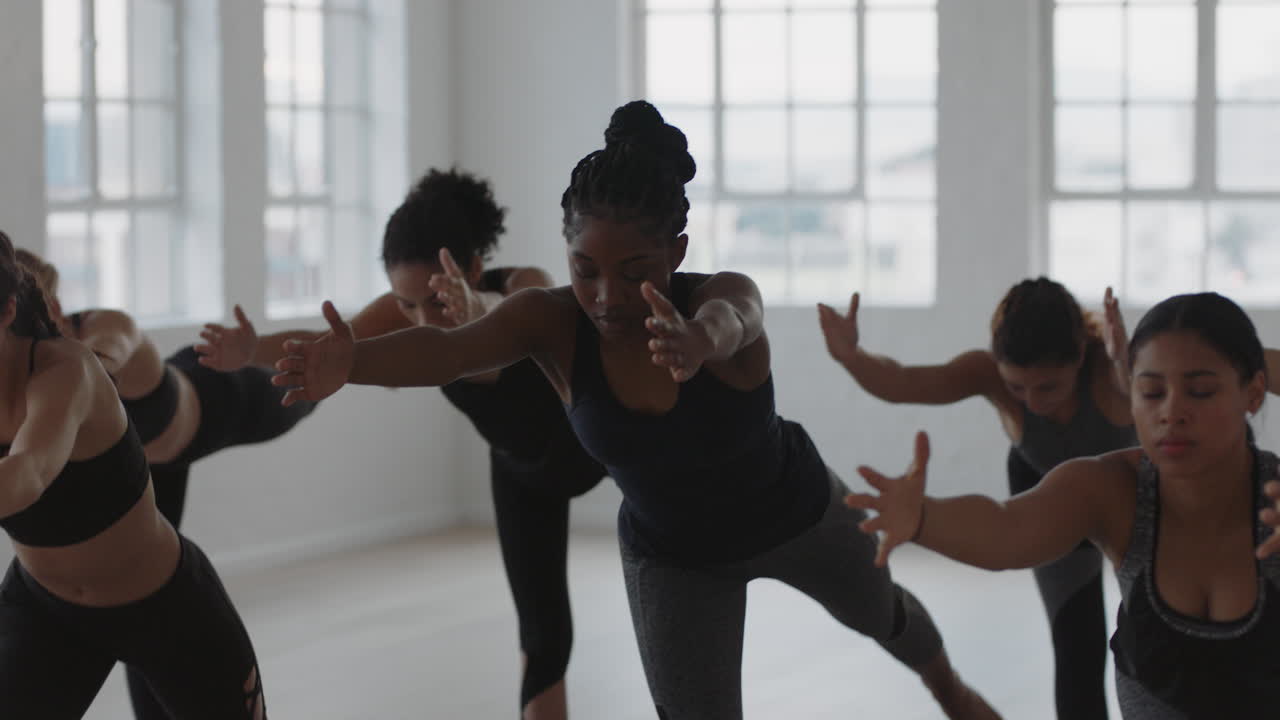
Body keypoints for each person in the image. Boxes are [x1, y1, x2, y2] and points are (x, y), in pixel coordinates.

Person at [271, 100, 1000, 720]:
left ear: (676, 252)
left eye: (635, 272)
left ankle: (952, 689)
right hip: (674, 555)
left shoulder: (723, 295)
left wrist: (697, 342)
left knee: (882, 614)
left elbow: (736, 321)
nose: (607, 297)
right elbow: (453, 350)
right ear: (567, 252)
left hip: (797, 511)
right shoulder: (547, 322)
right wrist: (353, 363)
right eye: (586, 270)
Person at [201, 169, 606, 720]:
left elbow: (500, 309)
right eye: (405, 304)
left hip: (590, 448)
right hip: (520, 473)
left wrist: (473, 306)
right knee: (543, 635)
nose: (420, 320)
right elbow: (326, 348)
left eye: (434, 302)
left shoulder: (520, 286)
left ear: (473, 268)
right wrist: (251, 349)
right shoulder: (405, 310)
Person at [848, 291, 1280, 718]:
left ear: (1254, 393)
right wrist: (925, 517)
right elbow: (1008, 529)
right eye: (1151, 393)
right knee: (1076, 646)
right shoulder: (1110, 488)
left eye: (1200, 391)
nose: (1172, 411)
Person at [17, 248, 316, 719]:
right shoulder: (30, 375)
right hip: (144, 473)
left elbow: (110, 352)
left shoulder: (94, 337)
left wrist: (85, 367)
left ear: (52, 304)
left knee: (300, 384)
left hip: (213, 406)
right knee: (140, 592)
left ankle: (365, 343)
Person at [818, 277, 1134, 719]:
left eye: (1049, 387)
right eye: (1018, 388)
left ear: (1081, 354)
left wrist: (1125, 364)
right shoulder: (985, 372)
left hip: (1128, 491)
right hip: (1046, 491)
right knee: (1077, 648)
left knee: (1155, 639)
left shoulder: (1111, 370)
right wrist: (852, 357)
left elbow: (1141, 391)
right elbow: (907, 382)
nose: (1033, 402)